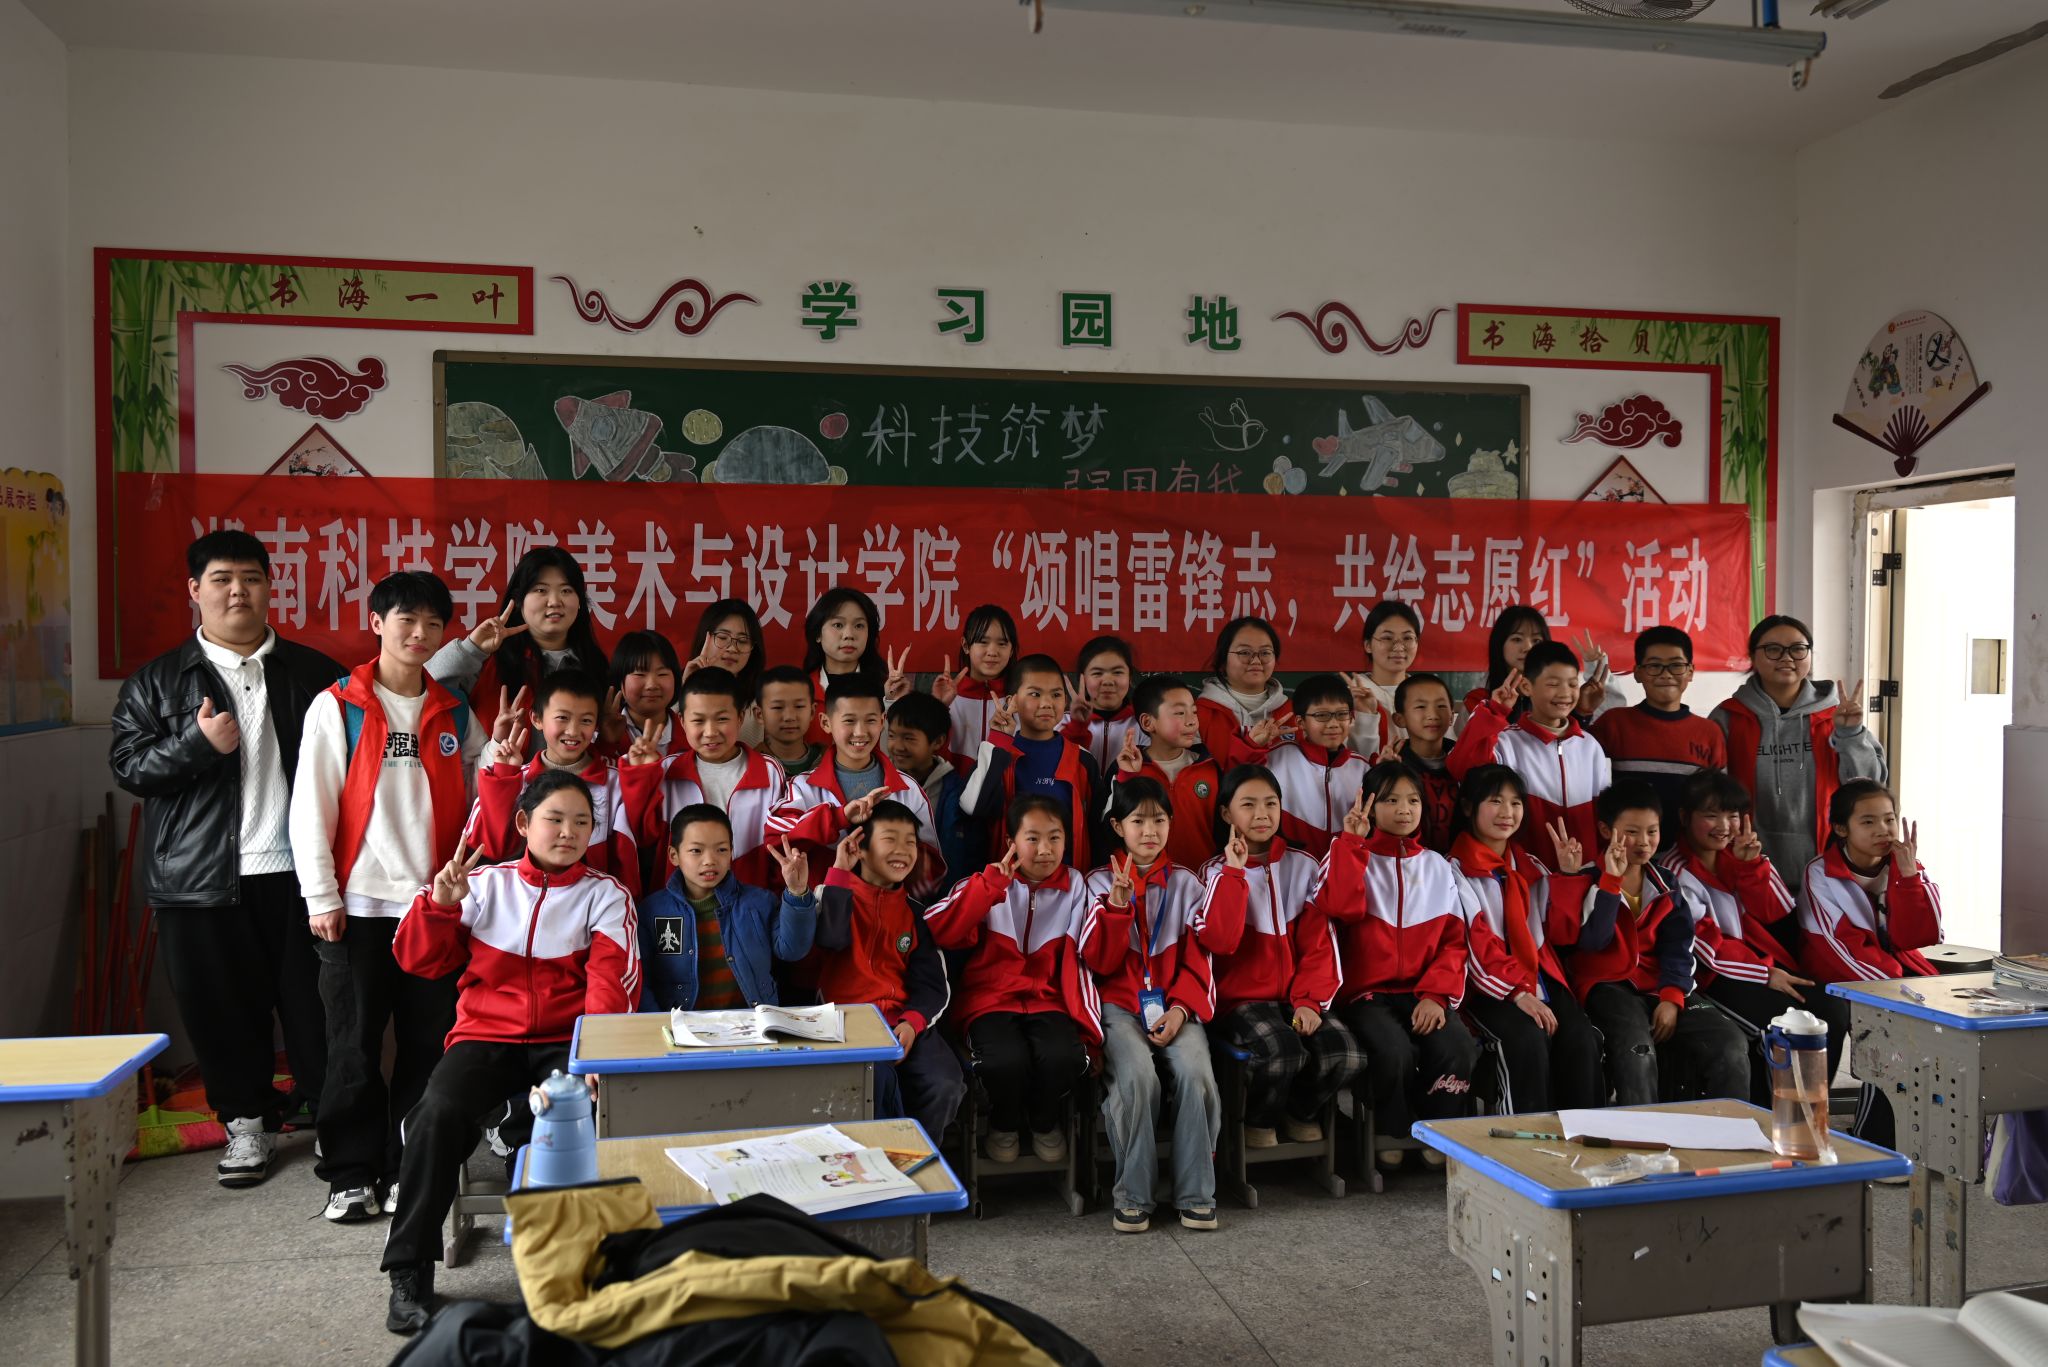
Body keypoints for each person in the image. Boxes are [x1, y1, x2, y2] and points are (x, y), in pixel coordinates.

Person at [108, 529, 342, 1188]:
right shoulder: (157, 681)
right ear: (195, 590)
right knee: (222, 1013)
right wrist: (196, 743)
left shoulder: (316, 674)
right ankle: (246, 1126)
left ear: (270, 586)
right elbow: (128, 766)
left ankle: (334, 1121)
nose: (238, 591)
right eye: (221, 579)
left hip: (302, 876)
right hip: (201, 880)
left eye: (251, 578)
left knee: (319, 1009)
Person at [378, 770, 638, 1334]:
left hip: (565, 1042)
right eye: (554, 819)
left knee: (583, 1114)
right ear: (523, 823)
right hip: (484, 1036)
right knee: (435, 1115)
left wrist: (594, 1059)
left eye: (581, 822)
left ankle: (579, 1261)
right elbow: (418, 960)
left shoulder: (605, 894)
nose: (568, 832)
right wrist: (441, 906)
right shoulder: (481, 884)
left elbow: (610, 985)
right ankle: (409, 1270)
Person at [289, 570, 487, 1224]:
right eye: (407, 619)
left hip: (432, 908)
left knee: (428, 1045)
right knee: (352, 1046)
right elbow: (310, 808)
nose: (419, 633)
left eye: (433, 623)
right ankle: (349, 1173)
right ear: (377, 623)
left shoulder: (453, 711)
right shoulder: (339, 706)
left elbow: (486, 791)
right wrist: (321, 895)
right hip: (356, 907)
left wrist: (504, 758)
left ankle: (408, 1168)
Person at [927, 795, 1114, 1164]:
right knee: (1005, 1060)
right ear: (1011, 842)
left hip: (1050, 1000)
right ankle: (1005, 1123)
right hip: (990, 1001)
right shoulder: (987, 881)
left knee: (1062, 1057)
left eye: (1055, 838)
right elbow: (940, 929)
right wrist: (990, 887)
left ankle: (1043, 1121)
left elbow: (1090, 957)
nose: (1045, 850)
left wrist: (1089, 1032)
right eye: (1032, 838)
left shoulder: (1076, 885)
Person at [1317, 766, 1479, 1168]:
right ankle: (1392, 1130)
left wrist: (1436, 995)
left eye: (1413, 800)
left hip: (1425, 991)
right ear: (1370, 807)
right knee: (1393, 1051)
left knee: (1457, 1046)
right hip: (1367, 995)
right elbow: (1338, 908)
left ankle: (1437, 1129)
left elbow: (1454, 942)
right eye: (1391, 800)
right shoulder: (1348, 854)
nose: (1404, 809)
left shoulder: (1438, 866)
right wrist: (1352, 844)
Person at [1199, 764, 1364, 1149]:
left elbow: (1321, 945)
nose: (1262, 814)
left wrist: (1309, 1001)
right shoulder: (1212, 872)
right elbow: (1220, 942)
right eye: (1248, 805)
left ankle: (1299, 1112)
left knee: (1347, 1054)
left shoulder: (1303, 865)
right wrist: (1234, 874)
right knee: (1282, 1051)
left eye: (1271, 803)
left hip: (1297, 997)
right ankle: (1259, 1119)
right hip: (1240, 1003)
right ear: (1226, 813)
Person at [1085, 779, 1223, 1234]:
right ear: (1117, 826)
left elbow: (1201, 959)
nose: (1150, 831)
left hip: (1177, 1005)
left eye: (1159, 820)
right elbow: (1096, 963)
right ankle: (1133, 1195)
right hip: (1118, 1007)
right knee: (1137, 1078)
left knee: (1196, 1073)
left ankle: (1196, 1194)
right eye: (1138, 821)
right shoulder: (1096, 883)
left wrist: (1181, 1010)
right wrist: (1116, 908)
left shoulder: (1187, 883)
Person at [1664, 769, 1849, 1106]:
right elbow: (1705, 948)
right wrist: (1765, 974)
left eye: (1732, 815)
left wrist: (1752, 867)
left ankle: (1810, 1108)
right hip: (1715, 977)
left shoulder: (1738, 854)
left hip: (1763, 964)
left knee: (1833, 1011)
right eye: (1711, 815)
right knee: (1780, 1027)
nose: (1724, 826)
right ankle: (1774, 1115)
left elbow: (1778, 910)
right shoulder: (1676, 871)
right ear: (1684, 817)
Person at [1566, 781, 1748, 1107]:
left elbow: (1679, 944)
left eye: (1652, 831)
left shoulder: (1666, 882)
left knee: (1730, 1042)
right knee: (1638, 1051)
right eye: (1631, 832)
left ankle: (1730, 1130)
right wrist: (1610, 883)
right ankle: (1645, 1133)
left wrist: (1672, 997)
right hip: (1607, 985)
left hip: (1660, 984)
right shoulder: (1585, 879)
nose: (1644, 842)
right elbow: (1594, 941)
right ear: (1606, 830)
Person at [1449, 765, 1604, 1114]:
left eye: (1516, 803)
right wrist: (1517, 993)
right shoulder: (1454, 870)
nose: (1507, 812)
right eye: (1495, 801)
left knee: (1581, 1038)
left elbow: (1562, 934)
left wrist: (1567, 877)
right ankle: (1523, 1137)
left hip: (1539, 977)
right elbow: (1475, 947)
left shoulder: (1530, 864)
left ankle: (1586, 1134)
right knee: (1526, 1039)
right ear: (1468, 807)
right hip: (1488, 987)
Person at [1797, 779, 1939, 1147]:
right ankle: (1873, 1136)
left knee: (1941, 1024)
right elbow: (1839, 948)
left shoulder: (1904, 865)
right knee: (1892, 1026)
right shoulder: (1820, 873)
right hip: (1836, 978)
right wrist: (1896, 988)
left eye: (1890, 820)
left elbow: (1922, 936)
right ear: (1841, 828)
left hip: (1891, 975)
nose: (1883, 830)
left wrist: (1910, 878)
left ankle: (1916, 1133)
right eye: (1868, 822)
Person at [813, 801, 966, 1144]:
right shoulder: (832, 894)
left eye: (910, 841)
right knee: (875, 1085)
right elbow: (830, 940)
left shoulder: (915, 913)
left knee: (945, 1083)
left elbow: (933, 985)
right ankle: (875, 1164)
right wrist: (839, 872)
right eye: (890, 839)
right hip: (846, 1025)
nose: (903, 850)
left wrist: (912, 1023)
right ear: (860, 848)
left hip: (902, 1022)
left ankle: (918, 1158)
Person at [1713, 614, 1886, 894]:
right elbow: (1711, 796)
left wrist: (1850, 734)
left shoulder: (1834, 716)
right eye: (1773, 649)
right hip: (1748, 865)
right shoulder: (1729, 717)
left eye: (1797, 649)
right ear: (1752, 657)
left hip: (1827, 869)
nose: (1786, 658)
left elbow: (1870, 787)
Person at [770, 675, 946, 897]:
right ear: (826, 723)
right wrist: (839, 817)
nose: (860, 732)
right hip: (820, 910)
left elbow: (930, 869)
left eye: (870, 720)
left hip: (889, 913)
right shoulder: (802, 787)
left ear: (882, 721)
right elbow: (777, 841)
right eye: (849, 721)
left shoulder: (908, 789)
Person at [464, 669, 637, 891]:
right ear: (536, 719)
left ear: (596, 725)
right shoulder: (513, 778)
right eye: (562, 718)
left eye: (586, 720)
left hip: (593, 903)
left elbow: (629, 856)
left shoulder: (616, 784)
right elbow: (490, 848)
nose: (573, 731)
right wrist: (503, 778)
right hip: (521, 902)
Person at [618, 665, 786, 891]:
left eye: (722, 719)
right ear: (682, 721)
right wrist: (641, 775)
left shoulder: (769, 771)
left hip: (750, 900)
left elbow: (779, 846)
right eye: (698, 721)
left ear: (740, 718)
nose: (710, 732)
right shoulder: (668, 770)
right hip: (679, 902)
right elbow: (644, 836)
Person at [635, 804, 816, 1012]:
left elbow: (792, 950)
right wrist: (658, 1024)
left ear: (731, 852)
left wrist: (797, 891)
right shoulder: (652, 911)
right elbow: (642, 981)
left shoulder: (759, 902)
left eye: (721, 850)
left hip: (753, 1024)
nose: (710, 860)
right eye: (696, 851)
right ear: (674, 855)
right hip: (681, 1028)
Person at [1449, 641, 1611, 859]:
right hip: (1526, 872)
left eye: (1573, 684)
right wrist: (1495, 711)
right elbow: (1461, 767)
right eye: (1553, 684)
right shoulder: (1506, 743)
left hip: (1583, 871)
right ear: (1526, 687)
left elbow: (1603, 815)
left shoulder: (1589, 746)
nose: (1565, 693)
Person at [426, 546, 606, 740]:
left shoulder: (596, 666)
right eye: (541, 590)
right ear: (519, 600)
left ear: (579, 601)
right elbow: (422, 688)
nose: (555, 601)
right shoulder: (488, 662)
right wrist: (471, 649)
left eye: (566, 590)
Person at [960, 655, 1104, 868]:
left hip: (1069, 882)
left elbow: (1099, 828)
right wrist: (998, 740)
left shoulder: (1082, 759)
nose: (1047, 703)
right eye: (1035, 694)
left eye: (1056, 694)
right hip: (1008, 882)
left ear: (1065, 700)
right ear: (1013, 701)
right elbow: (972, 807)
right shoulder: (998, 753)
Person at [1591, 626, 1727, 848]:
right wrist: (1583, 712)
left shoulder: (1709, 732)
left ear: (1690, 672)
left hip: (1685, 856)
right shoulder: (1614, 723)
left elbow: (1718, 803)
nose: (1666, 674)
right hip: (1626, 853)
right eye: (1654, 666)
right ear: (1638, 672)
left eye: (1676, 665)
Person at [1114, 674, 1224, 873]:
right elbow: (1110, 827)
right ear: (1148, 722)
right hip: (1142, 881)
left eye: (1194, 712)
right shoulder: (1126, 769)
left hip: (1202, 880)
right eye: (1180, 713)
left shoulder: (1209, 768)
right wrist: (1127, 777)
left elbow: (1224, 829)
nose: (1192, 721)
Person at [884, 689, 982, 896]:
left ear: (937, 742)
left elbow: (969, 853)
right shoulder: (878, 782)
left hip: (941, 898)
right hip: (888, 897)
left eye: (909, 738)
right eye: (892, 736)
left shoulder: (957, 791)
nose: (898, 746)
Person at [1262, 673, 1367, 860]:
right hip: (1291, 868)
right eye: (1322, 715)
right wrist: (1252, 747)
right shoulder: (1276, 758)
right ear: (1301, 722)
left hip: (1345, 866)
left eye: (1342, 714)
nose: (1333, 724)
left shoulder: (1363, 767)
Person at [801, 588, 900, 743]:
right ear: (818, 634)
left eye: (859, 626)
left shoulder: (886, 691)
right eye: (838, 625)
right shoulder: (800, 692)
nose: (849, 635)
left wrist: (891, 703)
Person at [1195, 616, 1295, 763]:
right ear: (1223, 659)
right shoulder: (1198, 715)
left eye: (1265, 653)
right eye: (1244, 652)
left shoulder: (1293, 713)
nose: (1256, 661)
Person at [931, 603, 1016, 769]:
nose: (992, 652)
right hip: (950, 785)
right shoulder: (947, 698)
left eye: (1002, 643)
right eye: (983, 642)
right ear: (966, 645)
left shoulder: (1019, 700)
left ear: (1011, 650)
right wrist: (938, 708)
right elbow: (927, 759)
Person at [1388, 673, 1460, 854]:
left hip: (1461, 863)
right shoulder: (1393, 765)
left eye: (1441, 706)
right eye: (1420, 706)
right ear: (1400, 719)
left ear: (1452, 716)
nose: (1433, 715)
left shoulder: (1465, 762)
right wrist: (1386, 774)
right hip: (1411, 862)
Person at [1344, 600, 1427, 756]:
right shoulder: (1351, 696)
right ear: (1368, 645)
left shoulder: (1428, 692)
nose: (1398, 647)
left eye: (1407, 638)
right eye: (1387, 638)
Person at [685, 598, 767, 749]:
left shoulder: (763, 699)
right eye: (723, 638)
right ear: (704, 638)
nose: (732, 648)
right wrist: (689, 686)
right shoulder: (676, 692)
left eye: (742, 641)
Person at [601, 629, 683, 761]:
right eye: (640, 674)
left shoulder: (691, 731)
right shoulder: (598, 733)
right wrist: (606, 744)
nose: (652, 685)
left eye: (662, 674)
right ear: (620, 681)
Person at [1063, 635, 1139, 776]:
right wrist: (1077, 727)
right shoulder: (1061, 722)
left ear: (1130, 677)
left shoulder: (1143, 725)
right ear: (1082, 678)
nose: (1108, 681)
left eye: (1117, 672)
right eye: (1097, 673)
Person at [1464, 605, 1549, 717]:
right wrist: (1496, 712)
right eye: (1517, 639)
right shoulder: (1477, 700)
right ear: (1499, 644)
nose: (1528, 648)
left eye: (1536, 641)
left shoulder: (1554, 697)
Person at [756, 663, 825, 780]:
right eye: (778, 707)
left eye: (799, 706)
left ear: (812, 712)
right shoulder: (749, 765)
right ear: (760, 715)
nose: (789, 717)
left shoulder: (829, 761)